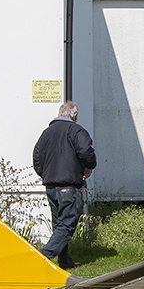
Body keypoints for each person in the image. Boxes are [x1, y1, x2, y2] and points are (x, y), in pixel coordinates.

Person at [32, 101, 96, 269]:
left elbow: (37, 157)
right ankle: (43, 256)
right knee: (67, 225)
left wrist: (45, 174)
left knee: (58, 224)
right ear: (73, 115)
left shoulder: (46, 133)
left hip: (51, 186)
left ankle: (65, 260)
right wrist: (88, 167)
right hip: (68, 184)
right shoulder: (76, 131)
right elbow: (86, 151)